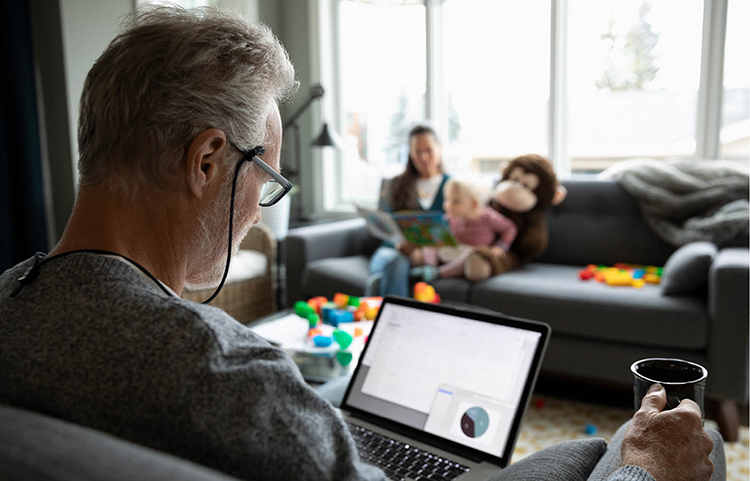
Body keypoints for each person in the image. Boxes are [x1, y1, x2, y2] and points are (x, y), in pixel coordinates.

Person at [0, 6, 722, 481]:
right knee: (672, 444)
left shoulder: (10, 301)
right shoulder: (226, 373)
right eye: (268, 180)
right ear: (206, 160)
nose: (256, 213)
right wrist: (642, 472)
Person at [368, 125, 450, 296]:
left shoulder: (452, 187)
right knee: (396, 262)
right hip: (393, 251)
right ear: (410, 154)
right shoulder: (397, 184)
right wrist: (399, 244)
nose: (423, 157)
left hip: (432, 255)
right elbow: (386, 226)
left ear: (439, 148)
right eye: (417, 152)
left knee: (384, 276)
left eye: (428, 150)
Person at [410, 178, 517, 282]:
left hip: (469, 255)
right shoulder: (450, 216)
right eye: (446, 200)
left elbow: (509, 228)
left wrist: (500, 247)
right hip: (452, 250)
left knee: (473, 254)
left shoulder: (487, 216)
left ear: (474, 204)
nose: (448, 205)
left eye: (456, 202)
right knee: (431, 243)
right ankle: (430, 267)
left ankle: (439, 273)